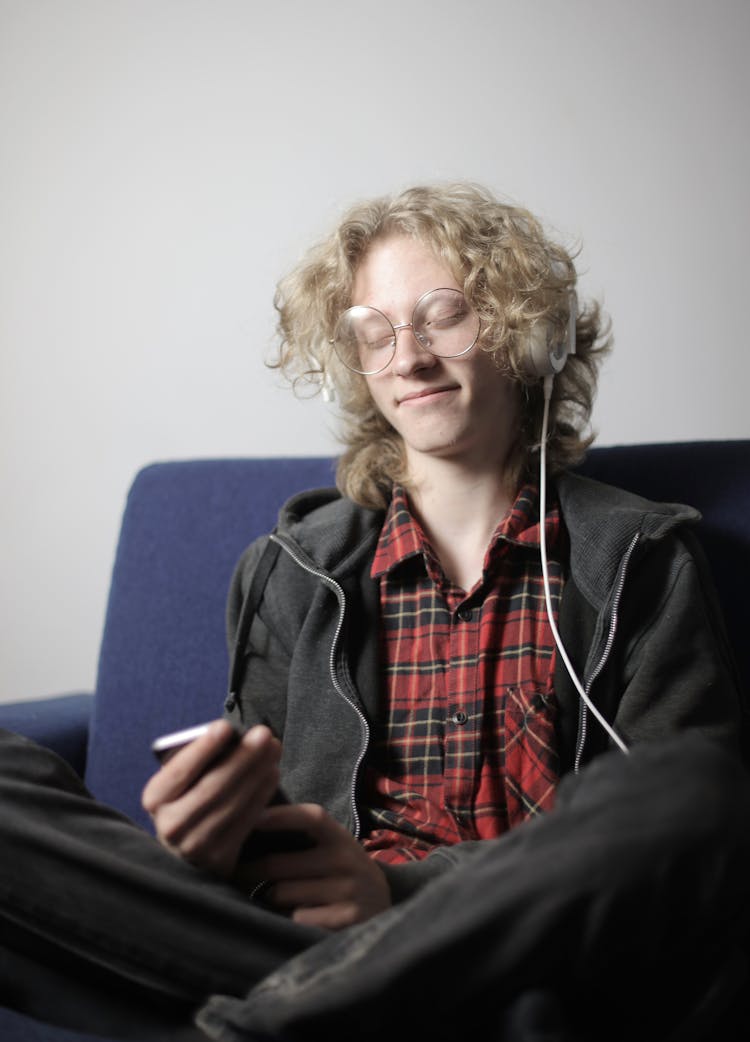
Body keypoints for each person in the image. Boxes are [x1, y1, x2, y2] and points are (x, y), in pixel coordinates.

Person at [1, 182, 749, 1042]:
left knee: (698, 787)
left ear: (527, 337)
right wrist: (209, 849)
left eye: (444, 316)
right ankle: (309, 1012)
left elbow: (684, 856)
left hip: (536, 974)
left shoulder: (643, 558)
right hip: (291, 953)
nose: (409, 357)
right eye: (374, 330)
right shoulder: (293, 571)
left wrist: (394, 895)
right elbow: (262, 847)